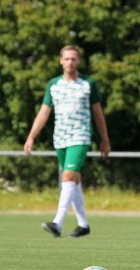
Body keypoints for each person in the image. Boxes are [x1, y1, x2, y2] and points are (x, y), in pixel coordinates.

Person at [24, 45, 111, 238]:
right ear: (60, 61)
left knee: (68, 176)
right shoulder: (53, 85)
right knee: (74, 179)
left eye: (73, 59)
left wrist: (105, 140)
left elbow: (98, 114)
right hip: (60, 138)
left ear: (78, 61)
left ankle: (58, 222)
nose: (70, 62)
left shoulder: (88, 84)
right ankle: (83, 224)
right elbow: (44, 112)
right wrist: (31, 136)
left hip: (80, 136)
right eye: (67, 59)